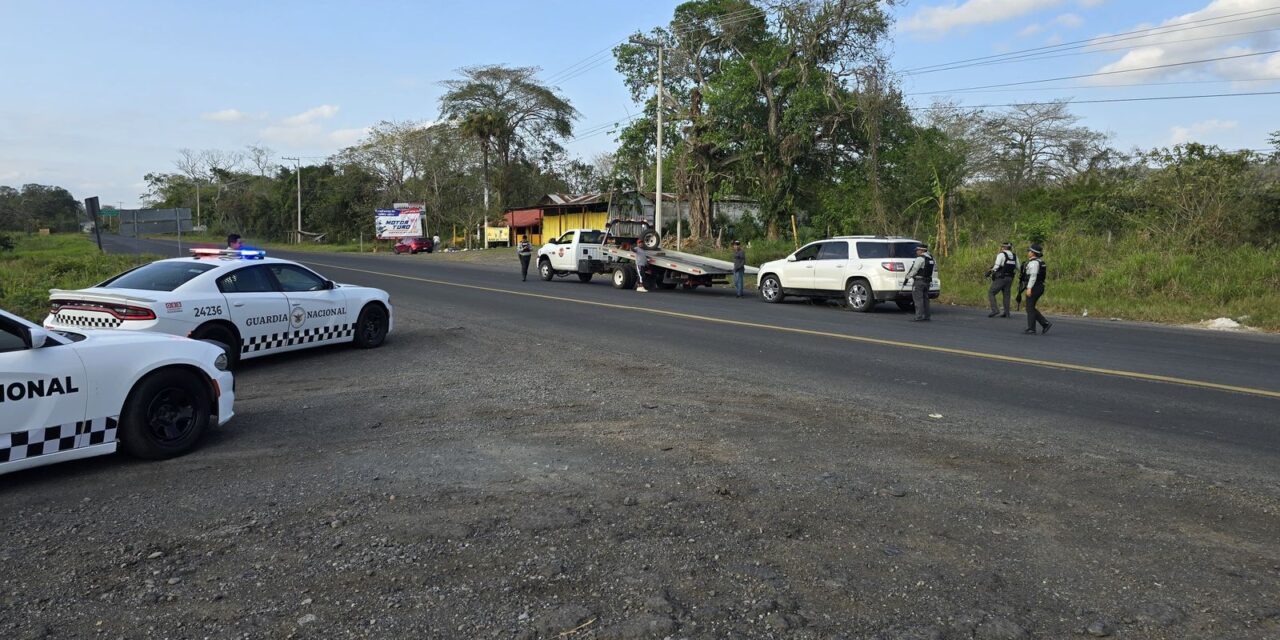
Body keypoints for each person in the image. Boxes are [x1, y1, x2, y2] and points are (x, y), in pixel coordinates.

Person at [1021, 244, 1052, 335]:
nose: (1028, 253)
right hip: (1039, 286)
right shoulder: (1040, 261)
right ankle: (1044, 323)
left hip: (1035, 286)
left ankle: (1032, 328)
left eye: (1029, 251)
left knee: (1029, 307)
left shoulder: (1034, 263)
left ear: (1033, 253)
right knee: (1030, 307)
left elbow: (1033, 277)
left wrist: (1029, 288)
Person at [903, 244, 935, 322]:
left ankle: (919, 316)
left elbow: (914, 269)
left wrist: (907, 277)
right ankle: (927, 316)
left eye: (917, 250)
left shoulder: (920, 259)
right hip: (927, 282)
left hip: (919, 281)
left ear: (922, 250)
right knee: (925, 299)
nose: (916, 251)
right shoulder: (931, 258)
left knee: (918, 299)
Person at [987, 241, 1018, 318]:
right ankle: (1007, 313)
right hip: (1010, 278)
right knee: (1006, 295)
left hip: (1001, 277)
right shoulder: (1014, 256)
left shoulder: (1001, 255)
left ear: (1003, 247)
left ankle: (995, 310)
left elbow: (996, 266)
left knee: (991, 292)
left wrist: (989, 272)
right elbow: (1018, 267)